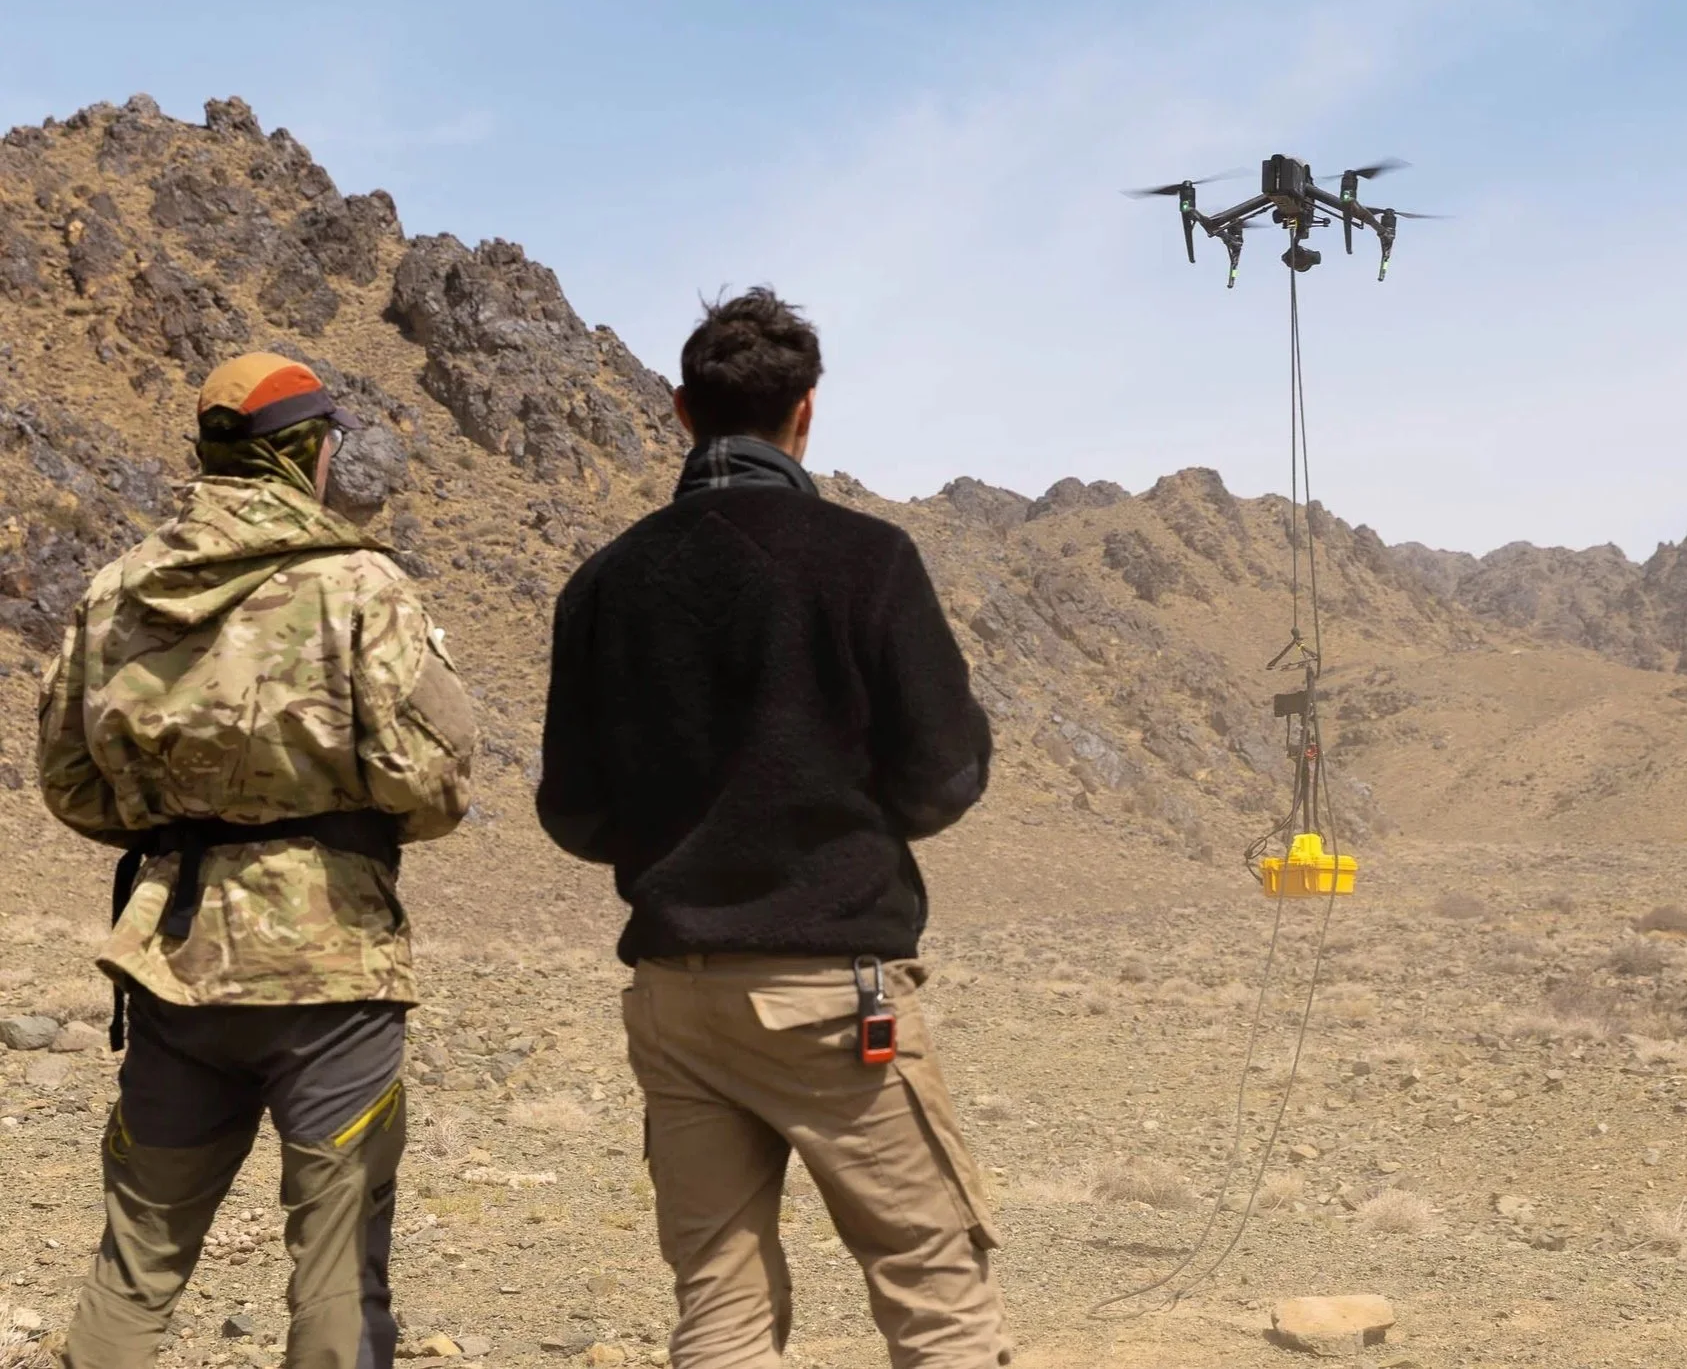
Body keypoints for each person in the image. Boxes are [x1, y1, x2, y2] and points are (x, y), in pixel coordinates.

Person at [537, 288, 1008, 1369]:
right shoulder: (866, 560)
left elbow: (572, 809)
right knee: (935, 1288)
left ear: (677, 411)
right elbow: (944, 773)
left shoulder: (603, 584)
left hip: (676, 998)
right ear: (805, 411)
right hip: (831, 997)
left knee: (720, 1305)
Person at [37, 353, 476, 1369]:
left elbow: (69, 781)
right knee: (335, 1267)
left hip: (173, 955)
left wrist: (179, 824)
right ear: (304, 453)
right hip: (333, 967)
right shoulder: (358, 584)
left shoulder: (114, 593)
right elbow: (435, 782)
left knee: (136, 1259)